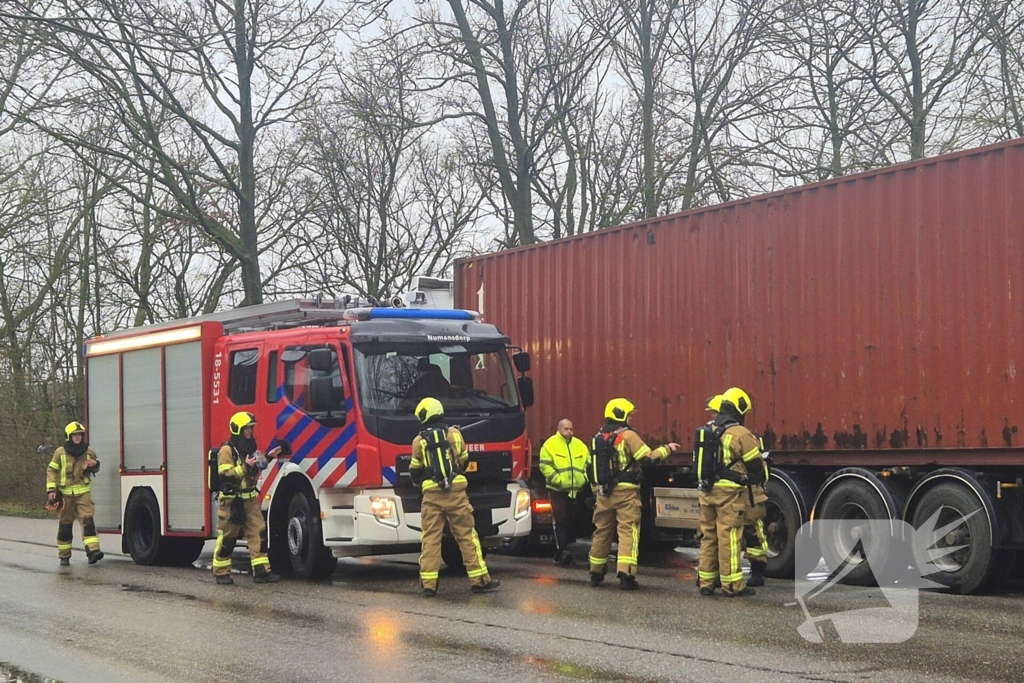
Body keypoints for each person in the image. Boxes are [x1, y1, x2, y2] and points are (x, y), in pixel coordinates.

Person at [587, 398, 682, 590]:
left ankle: (596, 573)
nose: (631, 419)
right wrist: (667, 449)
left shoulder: (597, 438)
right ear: (622, 415)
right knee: (628, 532)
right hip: (626, 493)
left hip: (604, 493)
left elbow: (591, 468)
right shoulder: (628, 436)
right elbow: (648, 458)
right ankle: (626, 575)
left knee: (601, 533)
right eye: (629, 415)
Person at [410, 397, 499, 597]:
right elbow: (464, 461)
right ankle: (480, 580)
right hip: (456, 493)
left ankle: (429, 585)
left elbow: (415, 472)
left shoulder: (419, 441)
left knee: (430, 539)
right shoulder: (454, 434)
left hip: (431, 495)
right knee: (467, 536)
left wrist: (426, 482)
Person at [696, 387, 765, 597]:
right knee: (729, 537)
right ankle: (733, 585)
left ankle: (707, 583)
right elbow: (756, 465)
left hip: (707, 491)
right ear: (739, 409)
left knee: (709, 537)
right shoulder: (740, 433)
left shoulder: (708, 429)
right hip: (729, 493)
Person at [213, 412, 282, 585]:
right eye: (247, 429)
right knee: (228, 539)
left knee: (259, 534)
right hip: (231, 502)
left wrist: (267, 457)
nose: (251, 432)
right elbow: (226, 475)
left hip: (250, 502)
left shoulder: (248, 449)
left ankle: (261, 572)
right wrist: (245, 467)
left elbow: (253, 468)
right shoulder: (226, 451)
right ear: (238, 430)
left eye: (251, 428)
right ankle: (221, 573)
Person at [46, 422, 103, 566]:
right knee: (65, 526)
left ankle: (93, 551)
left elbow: (96, 466)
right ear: (69, 436)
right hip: (65, 496)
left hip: (83, 493)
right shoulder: (60, 452)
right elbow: (51, 471)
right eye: (75, 435)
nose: (77, 437)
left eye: (79, 435)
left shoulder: (88, 451)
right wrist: (51, 490)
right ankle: (64, 556)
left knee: (88, 522)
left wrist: (94, 465)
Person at [539, 419, 590, 566]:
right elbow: (545, 466)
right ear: (558, 429)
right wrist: (558, 480)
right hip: (557, 490)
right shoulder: (550, 445)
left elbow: (588, 464)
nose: (569, 431)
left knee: (571, 520)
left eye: (571, 429)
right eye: (566, 429)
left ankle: (568, 550)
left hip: (576, 489)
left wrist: (584, 479)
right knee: (560, 520)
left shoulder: (579, 445)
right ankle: (561, 552)